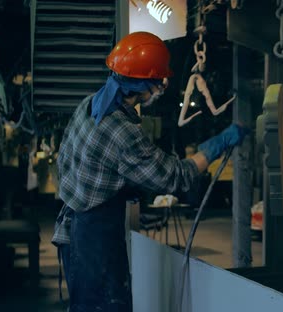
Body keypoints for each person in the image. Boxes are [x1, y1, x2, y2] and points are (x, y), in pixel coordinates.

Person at [50, 31, 247, 312]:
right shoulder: (124, 132)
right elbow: (176, 176)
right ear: (145, 84)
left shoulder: (90, 104)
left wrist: (109, 182)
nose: (162, 87)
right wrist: (217, 145)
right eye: (159, 82)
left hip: (73, 227)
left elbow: (66, 159)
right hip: (97, 238)